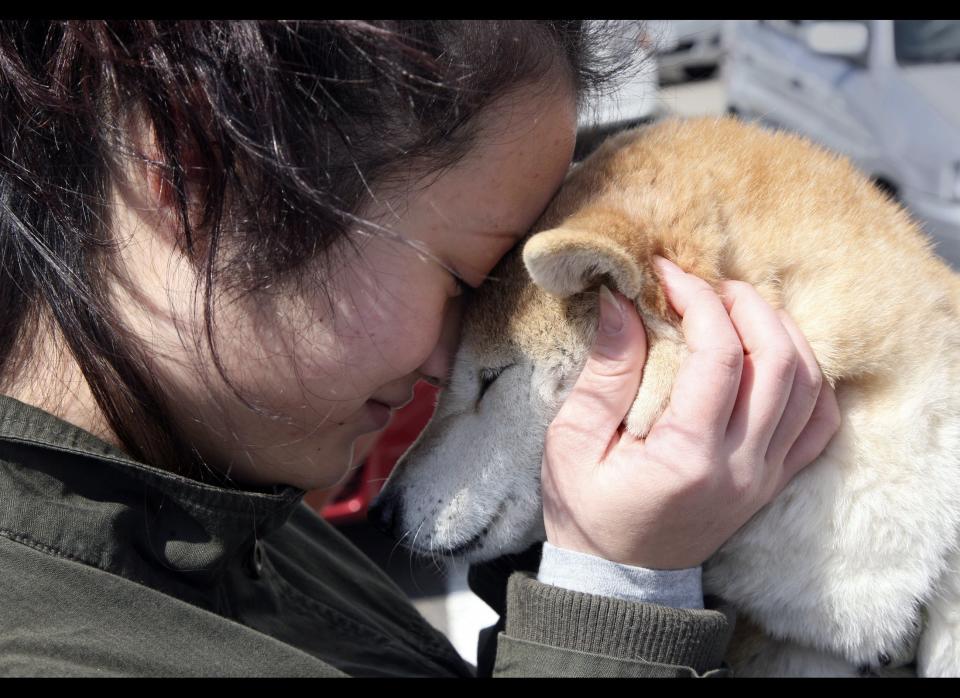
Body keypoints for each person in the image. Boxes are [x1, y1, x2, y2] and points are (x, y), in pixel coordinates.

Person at [0, 20, 839, 677]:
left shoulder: (226, 496)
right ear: (195, 175)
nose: (448, 360)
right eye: (463, 279)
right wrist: (618, 599)